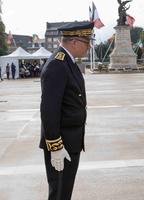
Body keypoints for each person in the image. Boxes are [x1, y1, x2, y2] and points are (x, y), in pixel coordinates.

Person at [39, 21, 94, 200]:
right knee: (59, 194)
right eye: (87, 42)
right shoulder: (58, 64)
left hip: (70, 142)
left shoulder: (67, 62)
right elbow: (49, 110)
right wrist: (55, 146)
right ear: (74, 42)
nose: (89, 46)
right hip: (62, 144)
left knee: (64, 192)